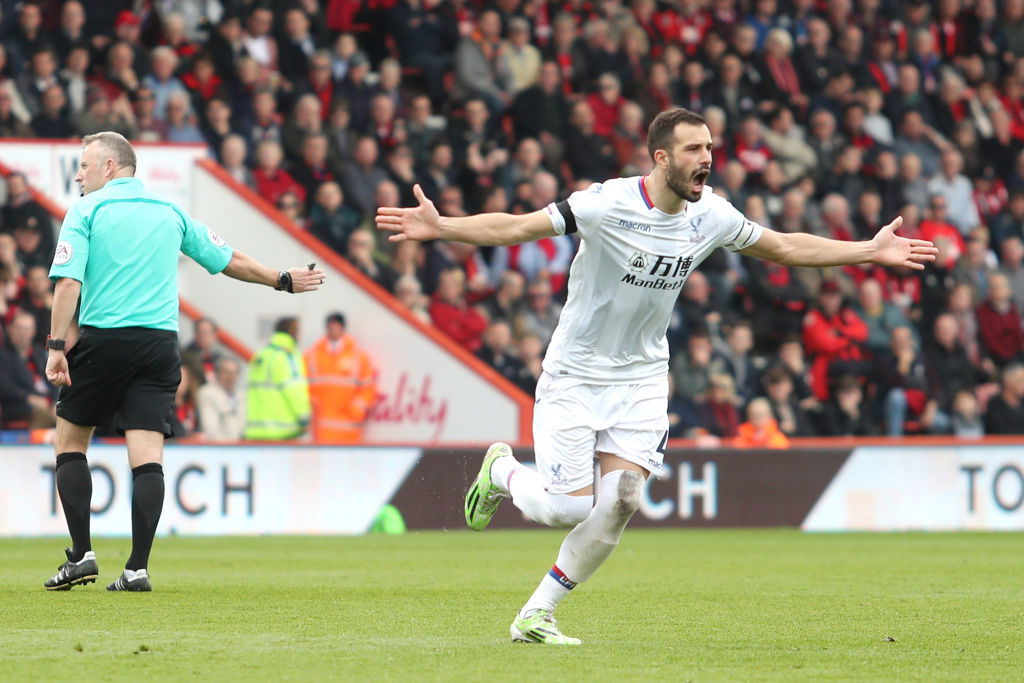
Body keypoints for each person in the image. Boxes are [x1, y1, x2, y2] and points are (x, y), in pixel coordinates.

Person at [376, 108, 936, 645]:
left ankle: (536, 614)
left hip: (642, 378)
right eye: (695, 149)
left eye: (712, 148)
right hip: (574, 373)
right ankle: (502, 472)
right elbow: (517, 227)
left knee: (622, 497)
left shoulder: (710, 214)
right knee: (566, 508)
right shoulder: (605, 204)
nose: (708, 158)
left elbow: (785, 246)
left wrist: (868, 251)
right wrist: (443, 226)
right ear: (661, 157)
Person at [43, 132, 325, 593]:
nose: (78, 174)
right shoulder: (169, 212)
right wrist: (282, 279)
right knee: (148, 457)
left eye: (84, 165)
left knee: (70, 443)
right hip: (159, 345)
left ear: (110, 167)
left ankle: (82, 554)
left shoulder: (86, 211)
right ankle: (136, 568)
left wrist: (57, 345)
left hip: (104, 340)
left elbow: (68, 283)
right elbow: (226, 258)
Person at [304, 312, 377, 444]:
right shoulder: (313, 354)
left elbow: (368, 387)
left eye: (336, 326)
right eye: (330, 327)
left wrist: (357, 408)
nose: (333, 330)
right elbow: (305, 385)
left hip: (349, 427)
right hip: (322, 426)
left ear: (343, 328)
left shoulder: (358, 356)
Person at [245, 317, 312, 441]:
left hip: (255, 431)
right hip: (282, 432)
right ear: (293, 332)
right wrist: (304, 418)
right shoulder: (287, 356)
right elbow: (294, 389)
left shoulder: (261, 354)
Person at [196, 357, 245, 442]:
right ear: (218, 373)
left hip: (240, 447)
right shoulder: (207, 393)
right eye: (226, 372)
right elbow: (210, 430)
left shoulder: (242, 395)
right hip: (217, 448)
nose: (230, 377)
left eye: (234, 373)